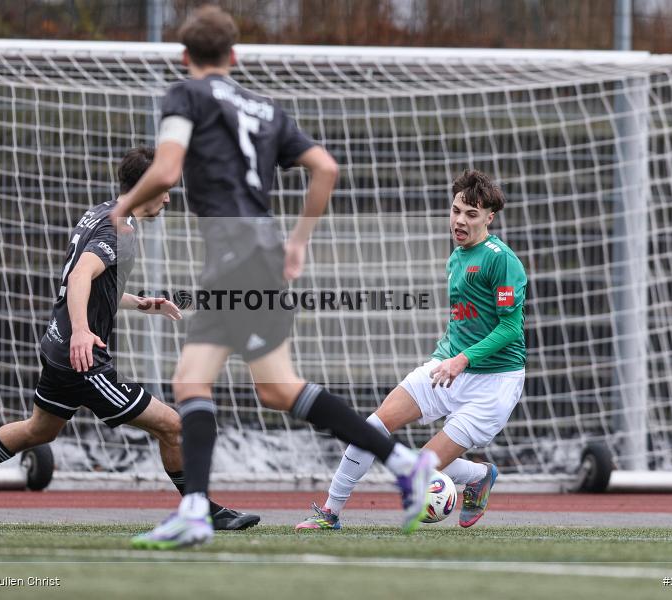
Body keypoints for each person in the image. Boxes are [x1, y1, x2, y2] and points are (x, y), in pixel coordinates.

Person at [111, 5, 437, 550]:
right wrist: (299, 241)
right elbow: (326, 167)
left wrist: (121, 207)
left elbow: (165, 171)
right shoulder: (266, 108)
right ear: (234, 56)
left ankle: (194, 511)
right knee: (276, 387)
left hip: (233, 257)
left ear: (185, 57)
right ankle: (404, 463)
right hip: (263, 254)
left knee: (193, 382)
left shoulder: (184, 95)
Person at [0, 146, 259, 532]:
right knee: (175, 426)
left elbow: (93, 283)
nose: (168, 197)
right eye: (164, 188)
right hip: (83, 359)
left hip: (59, 347)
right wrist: (82, 331)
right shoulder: (121, 230)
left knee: (38, 430)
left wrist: (140, 303)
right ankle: (203, 512)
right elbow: (80, 275)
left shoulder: (101, 212)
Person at [294, 169, 527, 531]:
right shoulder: (456, 257)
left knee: (422, 468)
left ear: (489, 217)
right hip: (448, 367)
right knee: (370, 427)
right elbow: (463, 320)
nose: (459, 221)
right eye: (455, 211)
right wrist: (447, 356)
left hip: (494, 383)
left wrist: (461, 359)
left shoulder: (502, 260)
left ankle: (479, 475)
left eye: (471, 214)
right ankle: (329, 513)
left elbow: (510, 329)